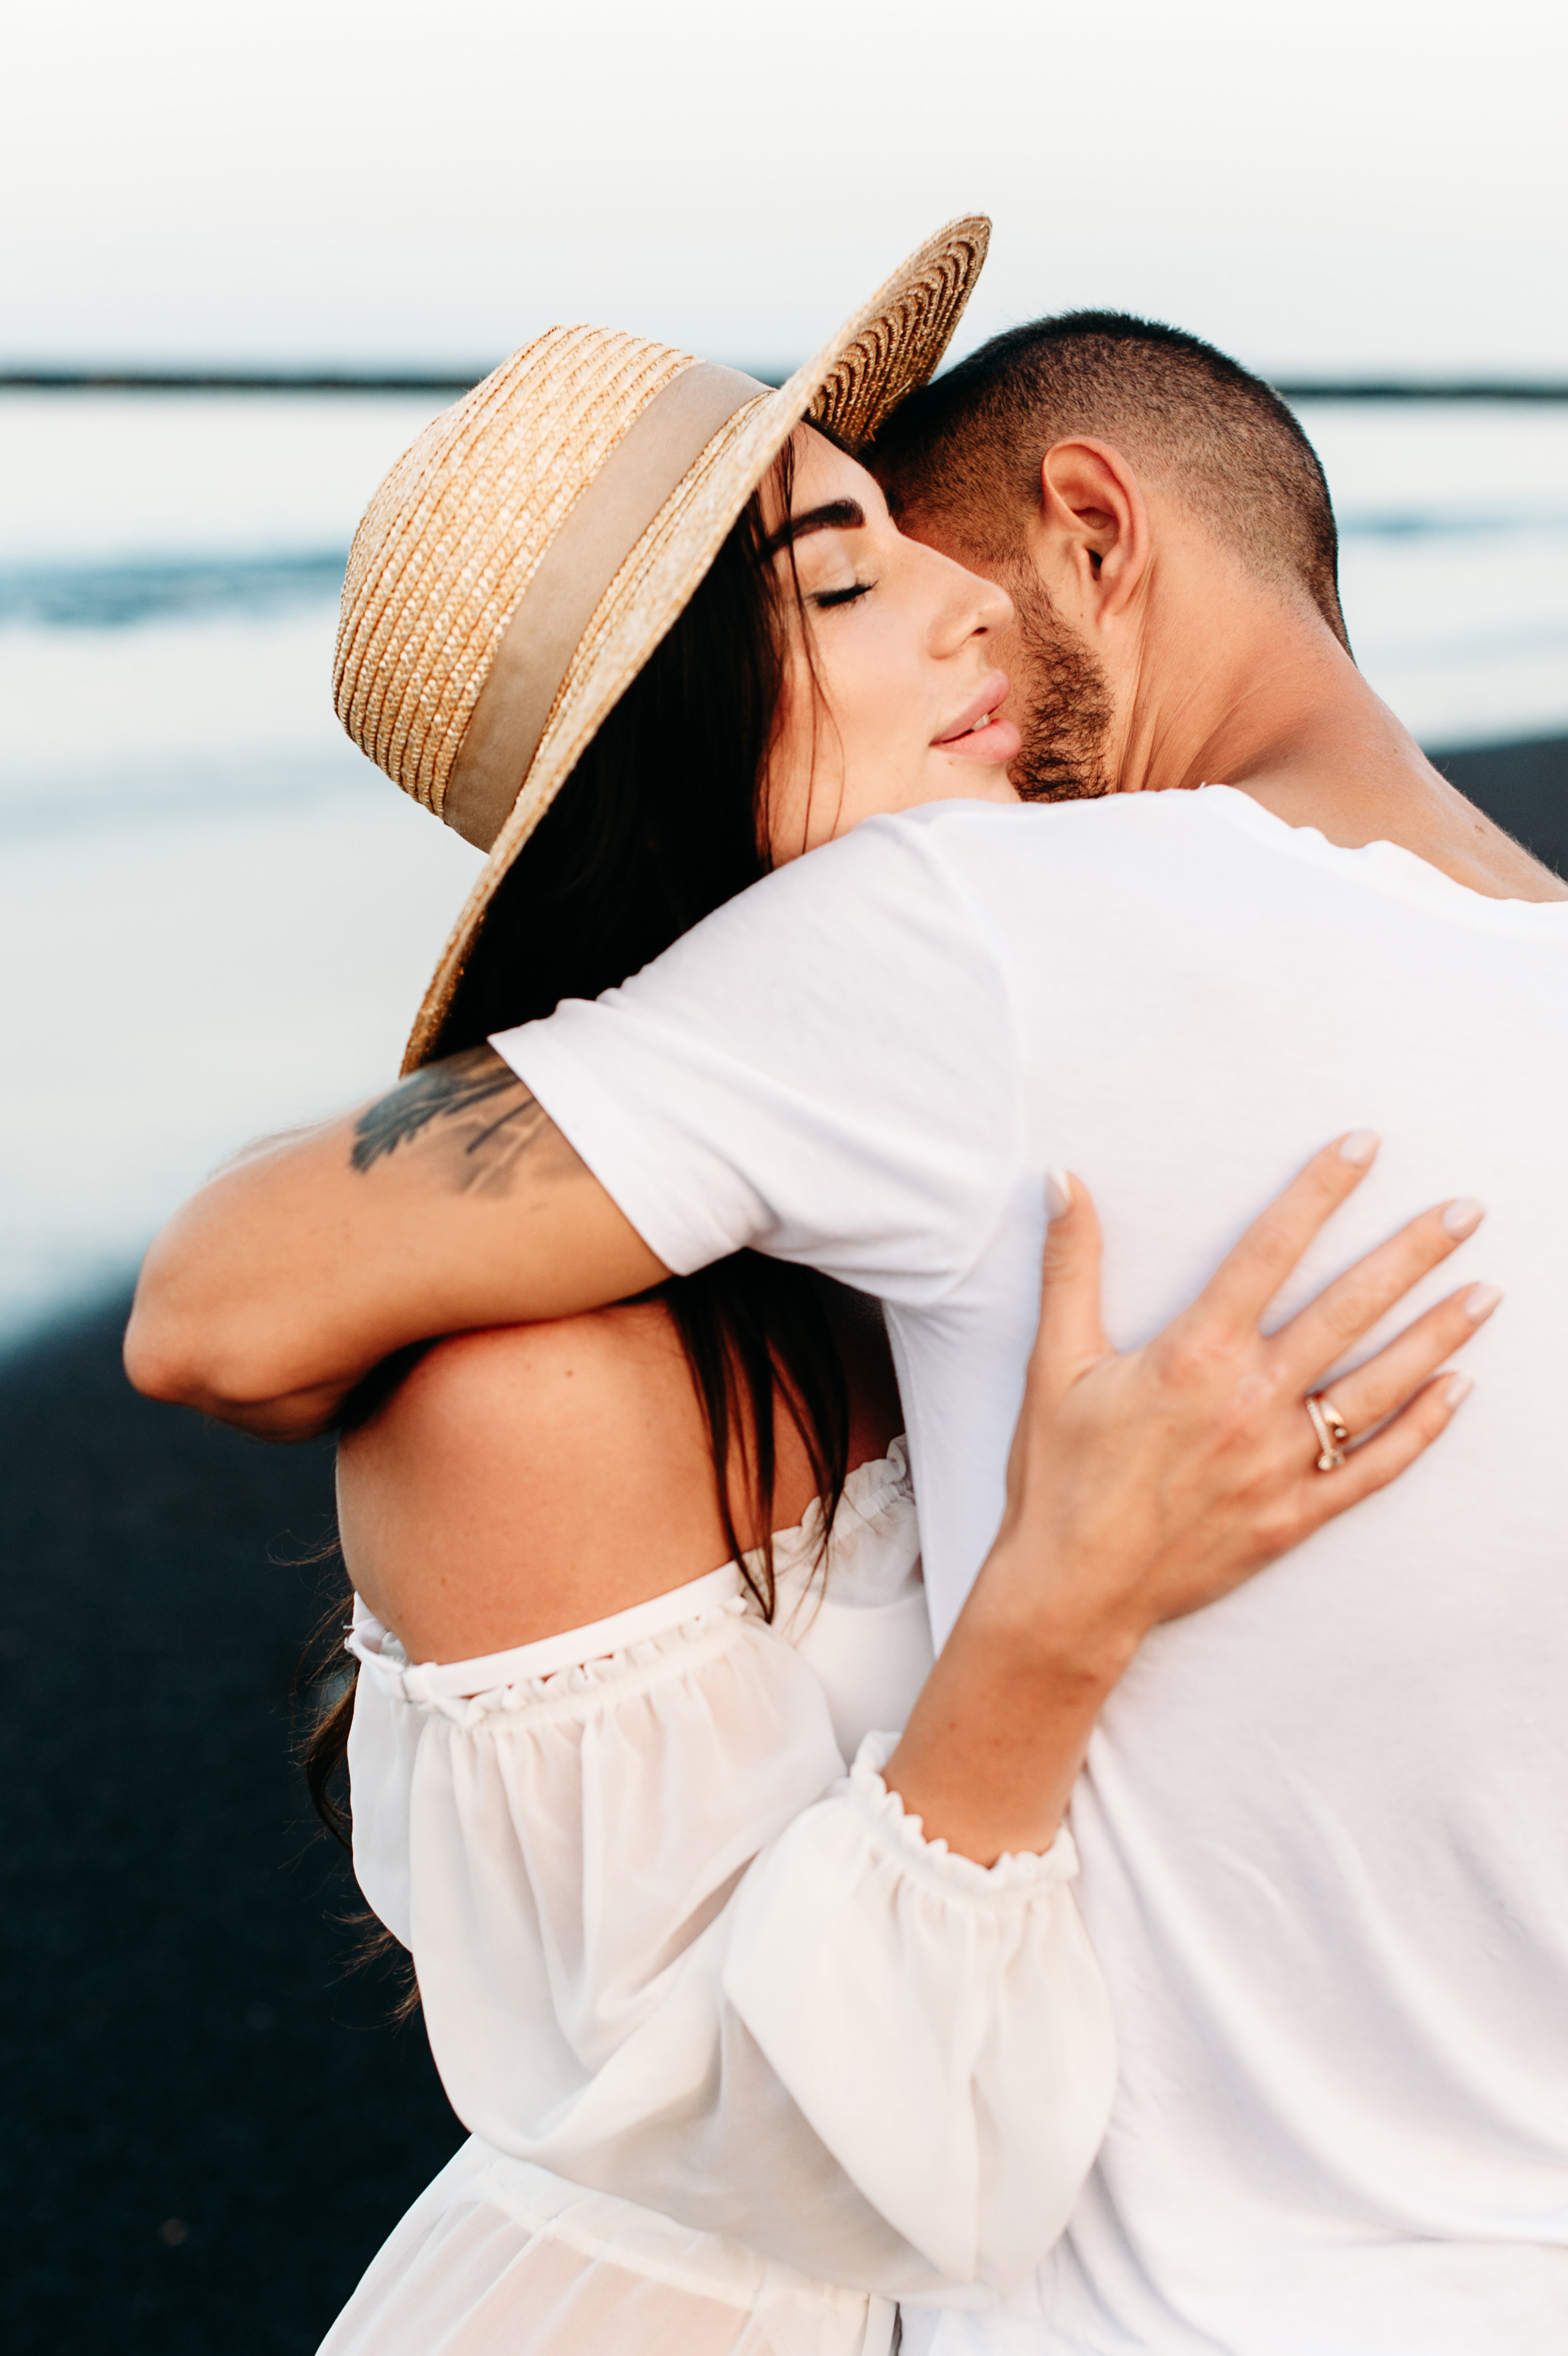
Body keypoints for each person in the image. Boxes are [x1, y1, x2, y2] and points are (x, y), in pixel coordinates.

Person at [125, 224, 1568, 2354]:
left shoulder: (948, 1133)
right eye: (845, 575)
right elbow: (772, 2179)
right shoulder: (567, 1349)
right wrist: (1054, 1618)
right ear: (685, 746)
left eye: (909, 543)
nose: (964, 602)